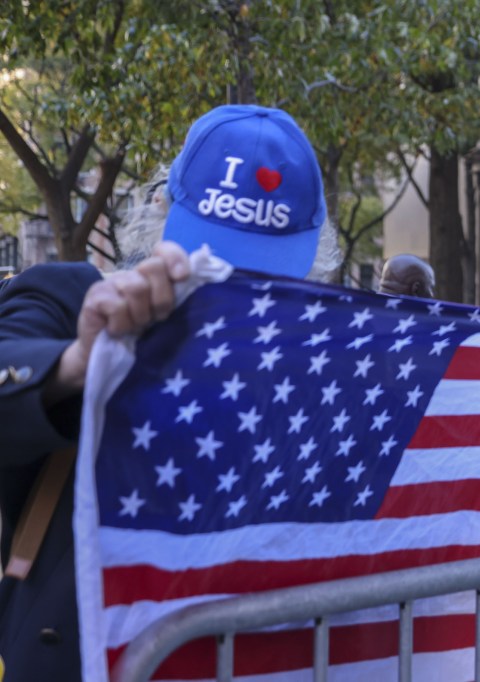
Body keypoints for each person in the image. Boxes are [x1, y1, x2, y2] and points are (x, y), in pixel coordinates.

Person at [0, 104, 335, 682]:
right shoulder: (66, 299)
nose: (232, 289)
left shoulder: (318, 356)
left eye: (261, 273)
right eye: (210, 259)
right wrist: (74, 365)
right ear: (159, 212)